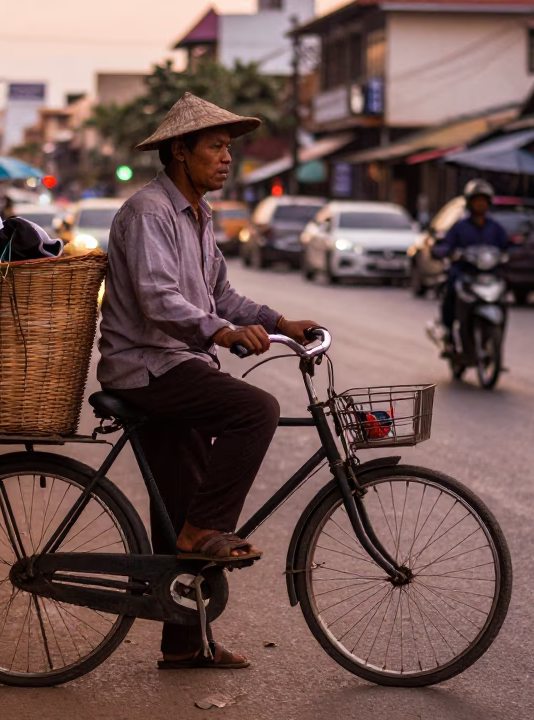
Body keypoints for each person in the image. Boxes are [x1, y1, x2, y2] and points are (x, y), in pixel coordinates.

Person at [97, 92, 320, 671]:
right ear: (180, 150)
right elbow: (158, 300)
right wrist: (221, 333)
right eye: (216, 147)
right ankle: (203, 531)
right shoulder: (148, 212)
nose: (227, 158)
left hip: (180, 365)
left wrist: (276, 322)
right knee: (256, 411)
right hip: (147, 366)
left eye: (229, 148)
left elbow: (220, 292)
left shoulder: (198, 214)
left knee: (179, 498)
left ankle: (184, 642)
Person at [434, 179, 509, 347]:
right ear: (470, 203)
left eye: (483, 201)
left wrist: (515, 252)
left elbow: (507, 245)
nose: (480, 205)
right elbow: (446, 245)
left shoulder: (495, 227)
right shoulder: (459, 226)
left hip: (488, 274)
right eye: (477, 201)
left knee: (504, 297)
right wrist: (446, 251)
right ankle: (448, 331)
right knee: (451, 289)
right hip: (464, 272)